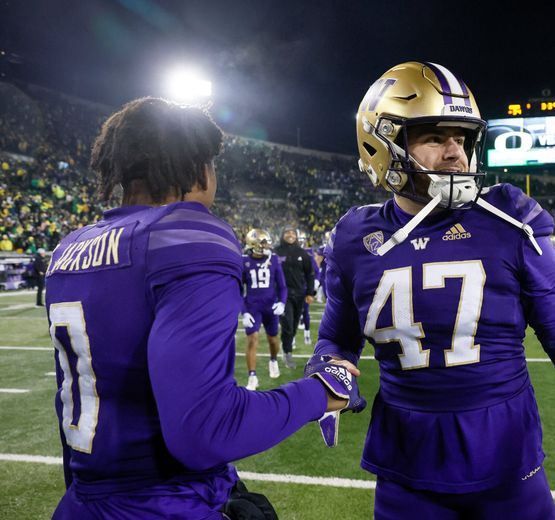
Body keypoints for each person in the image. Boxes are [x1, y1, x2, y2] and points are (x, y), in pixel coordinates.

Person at [312, 62, 555, 519]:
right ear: (383, 144)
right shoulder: (355, 238)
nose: (455, 153)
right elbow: (337, 339)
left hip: (508, 469)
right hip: (406, 473)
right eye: (435, 137)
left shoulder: (512, 221)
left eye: (463, 138)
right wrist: (327, 367)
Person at [44, 97, 361, 519]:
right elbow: (206, 427)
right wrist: (322, 392)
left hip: (83, 500)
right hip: (164, 503)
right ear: (198, 168)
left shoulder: (70, 247)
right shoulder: (186, 235)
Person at [242, 228, 287, 389]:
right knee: (252, 339)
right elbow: (239, 290)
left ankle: (273, 360)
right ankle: (252, 376)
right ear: (253, 243)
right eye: (263, 242)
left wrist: (282, 302)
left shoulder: (273, 260)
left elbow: (282, 286)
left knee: (273, 340)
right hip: (253, 307)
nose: (267, 245)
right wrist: (244, 312)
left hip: (270, 307)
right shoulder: (244, 262)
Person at [275, 226, 316, 369]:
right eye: (287, 232)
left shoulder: (303, 253)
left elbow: (310, 274)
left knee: (293, 327)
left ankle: (285, 345)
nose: (290, 235)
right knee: (287, 325)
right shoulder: (275, 252)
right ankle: (287, 353)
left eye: (293, 233)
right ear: (283, 235)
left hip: (299, 295)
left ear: (296, 236)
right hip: (282, 295)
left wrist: (310, 293)